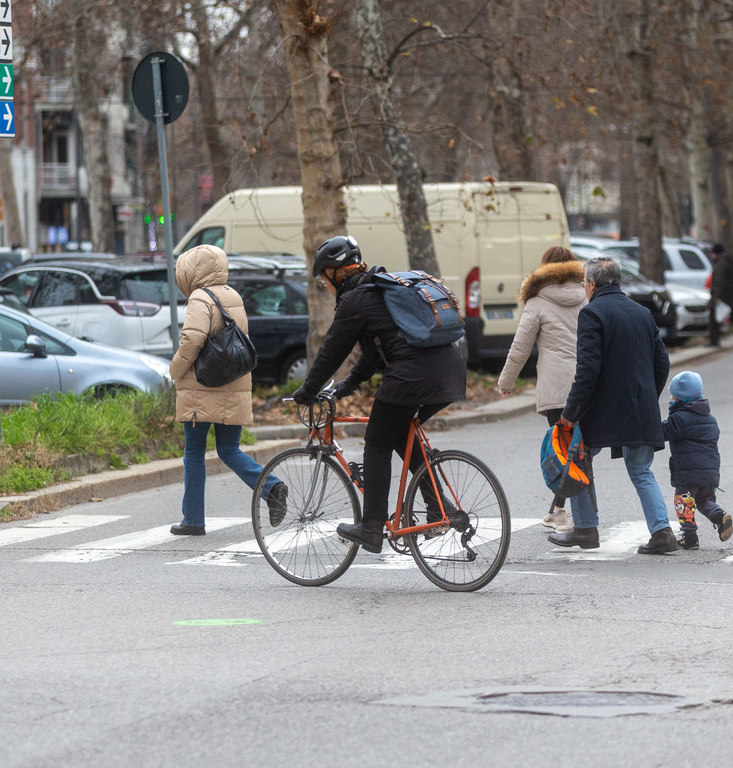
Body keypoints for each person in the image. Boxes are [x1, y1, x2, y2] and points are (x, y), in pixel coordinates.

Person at [293, 235, 467, 554]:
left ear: (334, 274)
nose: (325, 287)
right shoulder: (379, 290)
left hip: (413, 376)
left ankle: (372, 526)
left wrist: (307, 391)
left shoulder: (355, 300)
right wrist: (346, 386)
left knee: (376, 440)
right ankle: (439, 507)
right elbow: (375, 353)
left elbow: (332, 351)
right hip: (450, 372)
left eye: (323, 280)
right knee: (400, 435)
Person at [548, 256, 679, 555]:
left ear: (592, 284)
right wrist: (647, 395)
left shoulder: (592, 314)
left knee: (578, 459)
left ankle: (585, 529)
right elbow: (662, 362)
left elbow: (588, 370)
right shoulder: (642, 312)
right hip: (640, 407)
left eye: (584, 283)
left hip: (603, 410)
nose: (584, 288)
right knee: (641, 470)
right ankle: (662, 533)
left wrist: (570, 414)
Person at [167, 244, 287, 536]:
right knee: (229, 449)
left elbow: (192, 341)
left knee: (194, 452)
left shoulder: (199, 298)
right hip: (232, 384)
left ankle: (193, 520)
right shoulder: (232, 295)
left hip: (201, 386)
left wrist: (175, 370)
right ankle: (271, 486)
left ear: (193, 271)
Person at [497, 245, 586, 532]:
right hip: (586, 385)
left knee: (561, 451)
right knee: (579, 450)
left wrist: (506, 382)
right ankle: (562, 510)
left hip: (556, 388)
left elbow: (520, 348)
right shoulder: (587, 296)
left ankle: (569, 515)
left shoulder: (537, 302)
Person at [663, 371, 732, 550]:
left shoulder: (679, 418)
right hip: (710, 470)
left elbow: (662, 432)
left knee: (683, 502)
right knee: (704, 500)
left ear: (678, 397)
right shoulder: (710, 418)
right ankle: (719, 515)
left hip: (688, 472)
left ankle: (689, 537)